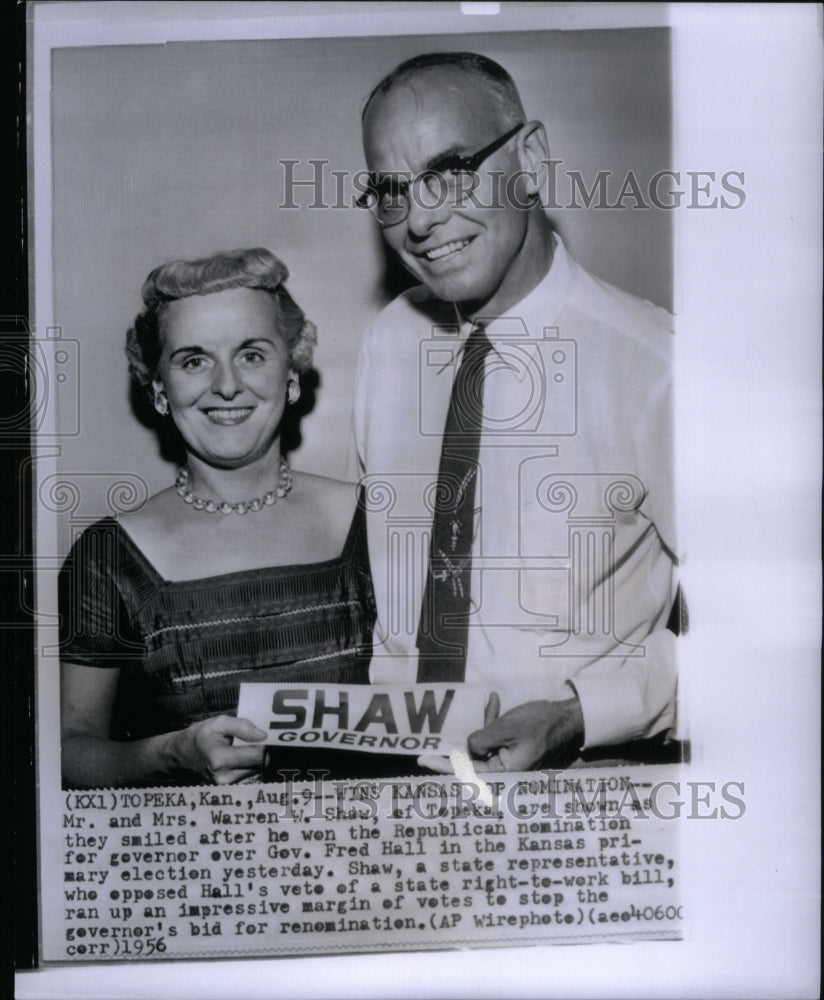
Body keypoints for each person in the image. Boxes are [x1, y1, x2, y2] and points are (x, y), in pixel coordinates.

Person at [352, 52, 679, 772]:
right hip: (403, 792)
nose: (423, 219)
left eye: (450, 171)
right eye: (391, 192)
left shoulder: (654, 365)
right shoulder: (390, 343)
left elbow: (769, 634)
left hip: (579, 796)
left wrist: (578, 715)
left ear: (529, 156)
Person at [59, 248, 375, 788]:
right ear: (159, 387)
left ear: (292, 370)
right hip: (196, 863)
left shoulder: (375, 522)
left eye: (252, 354)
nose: (226, 385)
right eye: (194, 360)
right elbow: (67, 752)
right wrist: (170, 753)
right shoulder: (108, 556)